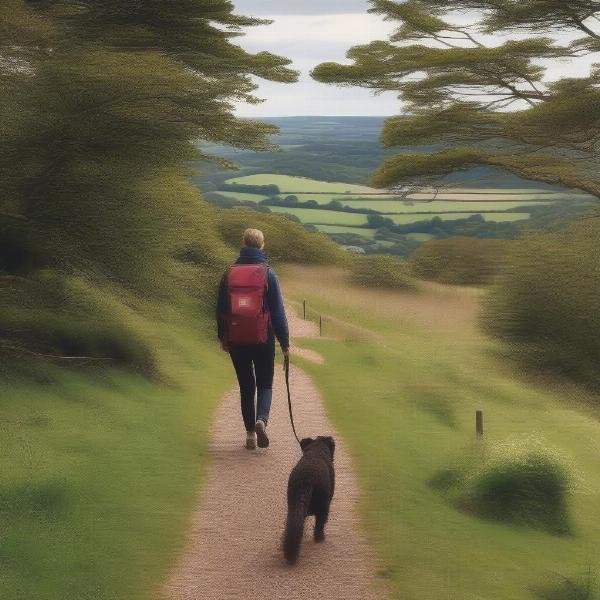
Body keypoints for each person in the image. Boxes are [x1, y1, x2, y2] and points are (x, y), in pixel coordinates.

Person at [216, 228, 289, 450]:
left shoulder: (228, 273)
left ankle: (249, 434)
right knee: (265, 383)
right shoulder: (268, 273)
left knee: (246, 386)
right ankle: (261, 420)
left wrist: (223, 336)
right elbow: (278, 312)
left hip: (237, 338)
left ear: (243, 243)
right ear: (262, 245)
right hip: (263, 337)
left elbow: (220, 309)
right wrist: (285, 343)